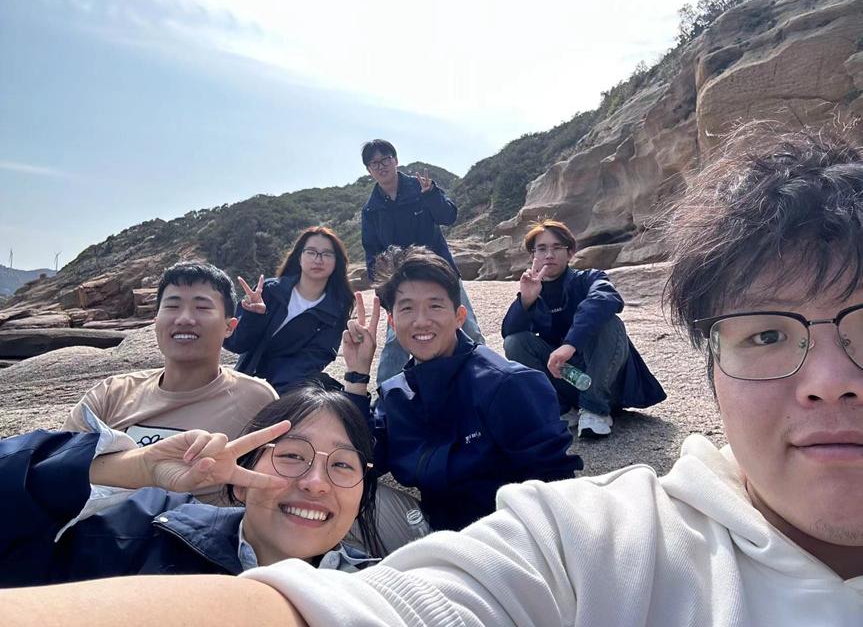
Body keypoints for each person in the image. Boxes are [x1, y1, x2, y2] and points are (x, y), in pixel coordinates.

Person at [5, 122, 863, 625]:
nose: (828, 380)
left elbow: (549, 487)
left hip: (491, 501)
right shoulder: (586, 544)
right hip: (448, 530)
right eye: (766, 336)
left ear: (457, 313)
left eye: (859, 332)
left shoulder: (518, 393)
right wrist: (352, 389)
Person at [0, 385, 381, 588]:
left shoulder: (381, 591)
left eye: (342, 465)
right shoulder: (139, 531)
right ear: (242, 479)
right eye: (293, 456)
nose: (315, 484)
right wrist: (134, 467)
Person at [341, 246, 581, 531]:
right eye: (407, 308)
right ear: (392, 322)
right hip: (435, 532)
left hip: (507, 537)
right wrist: (357, 376)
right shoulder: (397, 395)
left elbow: (555, 485)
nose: (421, 321)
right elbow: (358, 464)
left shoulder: (507, 385)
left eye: (435, 306)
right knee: (339, 495)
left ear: (459, 316)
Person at [63, 262, 278, 449]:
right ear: (155, 321)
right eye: (172, 306)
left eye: (202, 307)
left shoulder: (257, 399)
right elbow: (56, 466)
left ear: (229, 327)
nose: (184, 319)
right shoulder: (110, 394)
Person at [501, 219, 666, 437]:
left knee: (609, 321)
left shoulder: (589, 278)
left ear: (570, 253)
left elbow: (605, 298)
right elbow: (510, 335)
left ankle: (594, 409)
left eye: (557, 247)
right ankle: (561, 410)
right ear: (533, 256)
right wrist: (525, 300)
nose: (549, 255)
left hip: (606, 382)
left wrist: (570, 344)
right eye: (541, 249)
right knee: (515, 342)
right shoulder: (533, 291)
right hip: (567, 382)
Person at [360, 139, 485, 382]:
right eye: (375, 163)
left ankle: (487, 375)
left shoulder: (421, 188)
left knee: (466, 325)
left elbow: (448, 216)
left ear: (396, 160)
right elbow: (372, 253)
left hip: (439, 272)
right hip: (400, 281)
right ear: (369, 170)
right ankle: (385, 392)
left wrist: (431, 195)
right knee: (396, 339)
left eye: (385, 160)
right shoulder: (371, 210)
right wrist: (383, 293)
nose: (381, 166)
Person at [223, 226, 354, 394]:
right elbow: (236, 343)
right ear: (299, 257)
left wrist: (271, 389)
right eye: (311, 252)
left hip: (288, 389)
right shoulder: (269, 291)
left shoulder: (336, 309)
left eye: (327, 254)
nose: (318, 259)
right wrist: (253, 316)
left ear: (337, 262)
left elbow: (315, 357)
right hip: (244, 382)